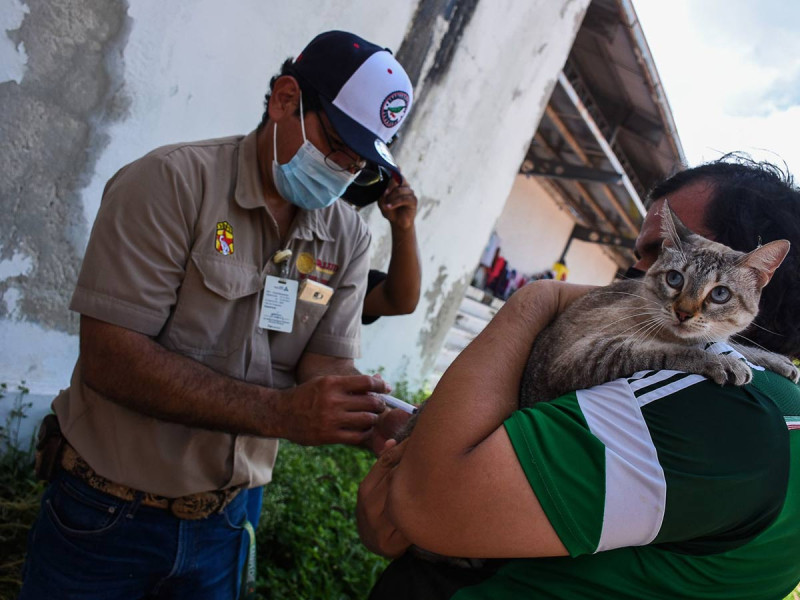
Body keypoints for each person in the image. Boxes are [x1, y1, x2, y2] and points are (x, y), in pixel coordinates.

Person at [20, 30, 416, 599]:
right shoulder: (172, 184)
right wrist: (282, 414)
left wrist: (372, 416)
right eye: (334, 144)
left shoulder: (344, 235)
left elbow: (325, 361)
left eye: (358, 162)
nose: (340, 170)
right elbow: (111, 358)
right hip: (106, 514)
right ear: (284, 99)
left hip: (227, 523)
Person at [357, 155, 800, 599]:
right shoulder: (783, 409)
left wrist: (540, 297)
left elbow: (425, 502)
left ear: (749, 273)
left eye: (654, 252)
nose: (640, 271)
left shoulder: (711, 400)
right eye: (662, 265)